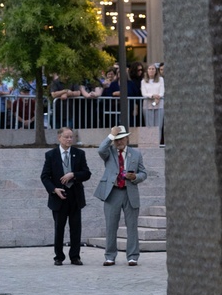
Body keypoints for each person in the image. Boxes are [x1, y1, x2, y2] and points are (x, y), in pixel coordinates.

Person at [94, 126, 147, 266]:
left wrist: (135, 177)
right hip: (113, 192)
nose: (119, 142)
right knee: (111, 226)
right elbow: (100, 149)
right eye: (116, 139)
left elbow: (143, 173)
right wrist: (111, 135)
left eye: (121, 138)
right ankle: (110, 256)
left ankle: (132, 256)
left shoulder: (136, 154)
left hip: (130, 192)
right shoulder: (109, 152)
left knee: (132, 225)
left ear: (127, 138)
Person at [40, 128, 92, 266]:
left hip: (75, 197)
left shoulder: (79, 154)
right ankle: (59, 256)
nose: (69, 139)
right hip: (59, 197)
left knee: (75, 228)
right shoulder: (51, 155)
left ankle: (75, 256)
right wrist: (54, 190)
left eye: (71, 137)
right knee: (59, 228)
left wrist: (73, 174)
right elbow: (45, 176)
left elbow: (86, 173)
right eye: (66, 137)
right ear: (59, 138)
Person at [141, 63, 165, 129]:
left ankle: (158, 136)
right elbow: (144, 93)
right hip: (148, 105)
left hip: (159, 104)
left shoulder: (161, 79)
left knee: (158, 126)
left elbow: (162, 91)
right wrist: (152, 96)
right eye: (149, 69)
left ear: (156, 71)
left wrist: (158, 96)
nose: (151, 70)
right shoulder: (143, 81)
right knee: (149, 126)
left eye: (153, 69)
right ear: (147, 71)